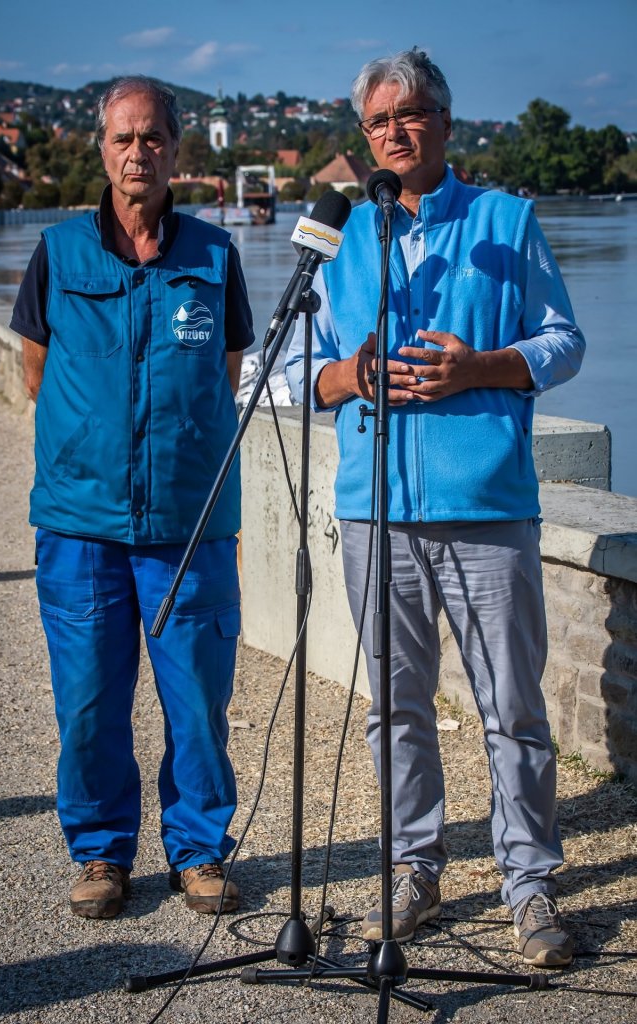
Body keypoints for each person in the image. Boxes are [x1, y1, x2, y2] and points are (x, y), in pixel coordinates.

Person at [285, 49, 585, 968]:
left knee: (513, 709)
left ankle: (528, 886)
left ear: (445, 124)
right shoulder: (339, 238)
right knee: (396, 710)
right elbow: (289, 370)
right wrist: (350, 374)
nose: (395, 132)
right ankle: (412, 870)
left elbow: (564, 342)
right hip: (375, 516)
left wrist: (480, 368)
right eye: (378, 121)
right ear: (363, 136)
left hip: (488, 510)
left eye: (410, 114)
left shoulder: (506, 221)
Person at [11, 76, 254, 919]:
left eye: (153, 137)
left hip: (189, 523)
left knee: (198, 700)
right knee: (87, 702)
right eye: (124, 138)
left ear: (176, 149)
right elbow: (36, 370)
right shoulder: (58, 253)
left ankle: (198, 850)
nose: (138, 152)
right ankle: (101, 852)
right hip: (80, 525)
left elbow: (226, 374)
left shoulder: (214, 257)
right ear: (103, 149)